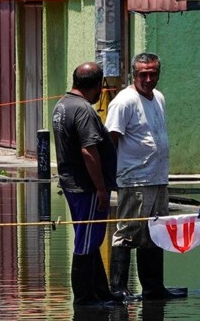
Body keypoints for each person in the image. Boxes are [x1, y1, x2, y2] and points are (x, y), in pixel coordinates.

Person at [105, 53, 187, 300]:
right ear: (134, 74)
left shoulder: (158, 98)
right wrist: (110, 176)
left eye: (153, 74)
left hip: (158, 177)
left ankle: (153, 287)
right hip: (134, 180)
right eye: (143, 74)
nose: (148, 79)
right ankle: (118, 288)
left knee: (156, 232)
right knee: (128, 233)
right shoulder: (124, 101)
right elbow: (111, 140)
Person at [52, 62, 120, 306]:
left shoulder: (62, 105)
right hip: (86, 186)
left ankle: (100, 291)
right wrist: (101, 188)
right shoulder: (83, 110)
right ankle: (85, 297)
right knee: (86, 241)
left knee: (90, 238)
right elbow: (88, 151)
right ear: (99, 85)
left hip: (74, 183)